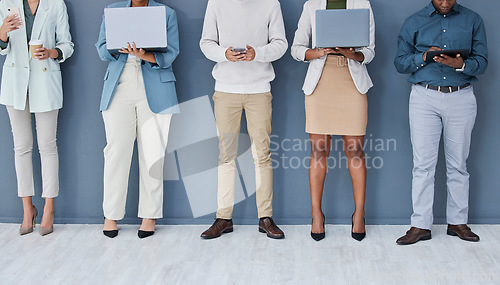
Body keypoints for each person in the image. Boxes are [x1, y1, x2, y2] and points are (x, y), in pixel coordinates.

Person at [394, 0, 488, 245]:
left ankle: (457, 222)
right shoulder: (414, 21)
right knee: (423, 165)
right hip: (424, 96)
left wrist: (463, 65)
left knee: (458, 163)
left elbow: (483, 61)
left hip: (462, 95)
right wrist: (424, 56)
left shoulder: (473, 20)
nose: (445, 3)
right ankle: (420, 225)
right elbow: (400, 63)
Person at [199, 0, 288, 239]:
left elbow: (281, 44)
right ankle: (224, 218)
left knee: (262, 154)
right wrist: (224, 54)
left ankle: (265, 217)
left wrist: (257, 53)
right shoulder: (216, 3)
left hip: (259, 89)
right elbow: (206, 43)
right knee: (226, 156)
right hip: (226, 89)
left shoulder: (270, 4)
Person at [291, 0, 375, 242]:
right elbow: (296, 48)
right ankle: (317, 214)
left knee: (355, 150)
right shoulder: (311, 5)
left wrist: (353, 54)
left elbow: (370, 51)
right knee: (318, 150)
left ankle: (359, 213)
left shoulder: (362, 4)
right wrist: (316, 52)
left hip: (351, 80)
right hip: (321, 80)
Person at [96, 0, 179, 239]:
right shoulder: (112, 12)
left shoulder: (166, 14)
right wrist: (117, 47)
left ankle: (149, 215)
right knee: (115, 151)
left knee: (153, 153)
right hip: (119, 86)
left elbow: (172, 52)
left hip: (155, 85)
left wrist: (146, 55)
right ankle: (110, 214)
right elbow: (101, 49)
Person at [0, 0, 74, 236]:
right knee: (21, 147)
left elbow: (67, 44)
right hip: (15, 82)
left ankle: (49, 209)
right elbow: (3, 48)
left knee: (47, 146)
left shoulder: (55, 4)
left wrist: (52, 52)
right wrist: (2, 33)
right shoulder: (6, 3)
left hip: (45, 80)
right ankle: (27, 209)